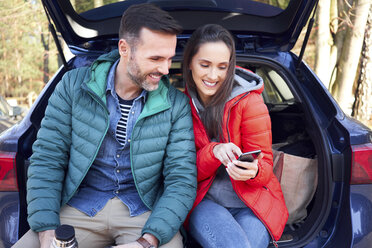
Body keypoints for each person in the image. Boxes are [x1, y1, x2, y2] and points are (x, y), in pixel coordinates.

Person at [13, 4, 197, 248]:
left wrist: (147, 241)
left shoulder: (176, 104)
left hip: (144, 214)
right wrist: (46, 230)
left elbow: (181, 180)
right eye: (155, 58)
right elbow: (48, 158)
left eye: (169, 59)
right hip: (78, 206)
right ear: (124, 49)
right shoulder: (72, 85)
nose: (165, 70)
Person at [182, 24, 288, 248]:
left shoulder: (249, 102)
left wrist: (254, 171)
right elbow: (183, 172)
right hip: (204, 201)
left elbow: (265, 165)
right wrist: (214, 151)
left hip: (252, 202)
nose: (213, 75)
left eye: (222, 67)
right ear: (190, 62)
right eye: (205, 65)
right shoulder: (180, 106)